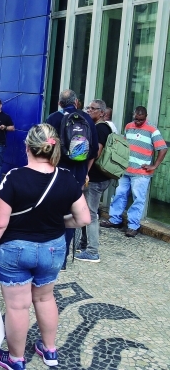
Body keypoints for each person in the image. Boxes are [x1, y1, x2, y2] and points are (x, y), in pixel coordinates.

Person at [0, 123, 90, 370]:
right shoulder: (67, 178)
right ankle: (50, 350)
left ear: (27, 146)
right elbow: (83, 219)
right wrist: (61, 222)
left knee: (18, 306)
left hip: (15, 250)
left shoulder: (14, 177)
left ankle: (17, 359)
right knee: (45, 298)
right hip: (52, 249)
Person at [45, 89, 98, 269]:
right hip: (76, 178)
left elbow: (44, 148)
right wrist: (85, 173)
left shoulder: (53, 118)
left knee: (52, 213)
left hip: (55, 175)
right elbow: (94, 151)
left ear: (60, 103)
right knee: (70, 215)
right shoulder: (87, 119)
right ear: (77, 103)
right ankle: (63, 257)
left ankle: (48, 254)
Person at [101, 106, 167, 237]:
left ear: (146, 117)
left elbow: (163, 148)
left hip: (141, 172)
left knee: (138, 198)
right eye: (136, 119)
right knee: (119, 194)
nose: (137, 122)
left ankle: (133, 226)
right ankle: (115, 220)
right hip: (126, 169)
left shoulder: (152, 130)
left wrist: (155, 165)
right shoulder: (129, 126)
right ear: (133, 115)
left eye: (141, 120)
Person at [76, 99, 112, 263]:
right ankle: (83, 244)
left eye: (93, 108)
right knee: (86, 211)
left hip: (96, 179)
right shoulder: (99, 127)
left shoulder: (101, 128)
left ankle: (92, 251)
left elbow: (96, 153)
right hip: (97, 177)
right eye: (88, 108)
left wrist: (86, 173)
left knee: (91, 213)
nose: (89, 110)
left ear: (102, 112)